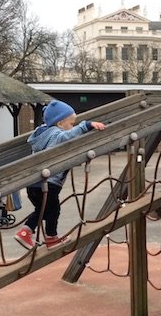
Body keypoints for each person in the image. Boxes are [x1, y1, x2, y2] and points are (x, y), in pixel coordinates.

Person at [15, 100, 105, 249]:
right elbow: (67, 137)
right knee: (53, 210)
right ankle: (51, 238)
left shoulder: (42, 134)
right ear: (59, 123)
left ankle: (27, 232)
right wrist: (86, 125)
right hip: (49, 183)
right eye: (71, 124)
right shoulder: (57, 135)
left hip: (33, 184)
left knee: (43, 211)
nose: (72, 127)